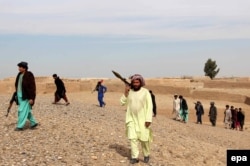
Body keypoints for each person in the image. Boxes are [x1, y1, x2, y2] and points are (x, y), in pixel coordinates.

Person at [120, 74, 153, 164]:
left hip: (143, 120)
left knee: (144, 140)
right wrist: (125, 93)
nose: (135, 83)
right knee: (133, 138)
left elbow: (150, 106)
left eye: (137, 82)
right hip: (131, 119)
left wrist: (148, 119)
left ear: (140, 82)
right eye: (134, 82)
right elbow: (122, 103)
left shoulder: (145, 92)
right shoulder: (129, 92)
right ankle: (134, 157)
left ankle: (146, 154)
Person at [14, 62, 38, 131]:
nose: (19, 68)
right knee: (25, 110)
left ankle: (20, 126)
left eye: (20, 67)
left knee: (21, 110)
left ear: (24, 68)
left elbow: (32, 87)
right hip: (19, 95)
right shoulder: (19, 74)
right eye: (18, 67)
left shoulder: (29, 74)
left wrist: (31, 98)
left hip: (26, 96)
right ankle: (33, 122)